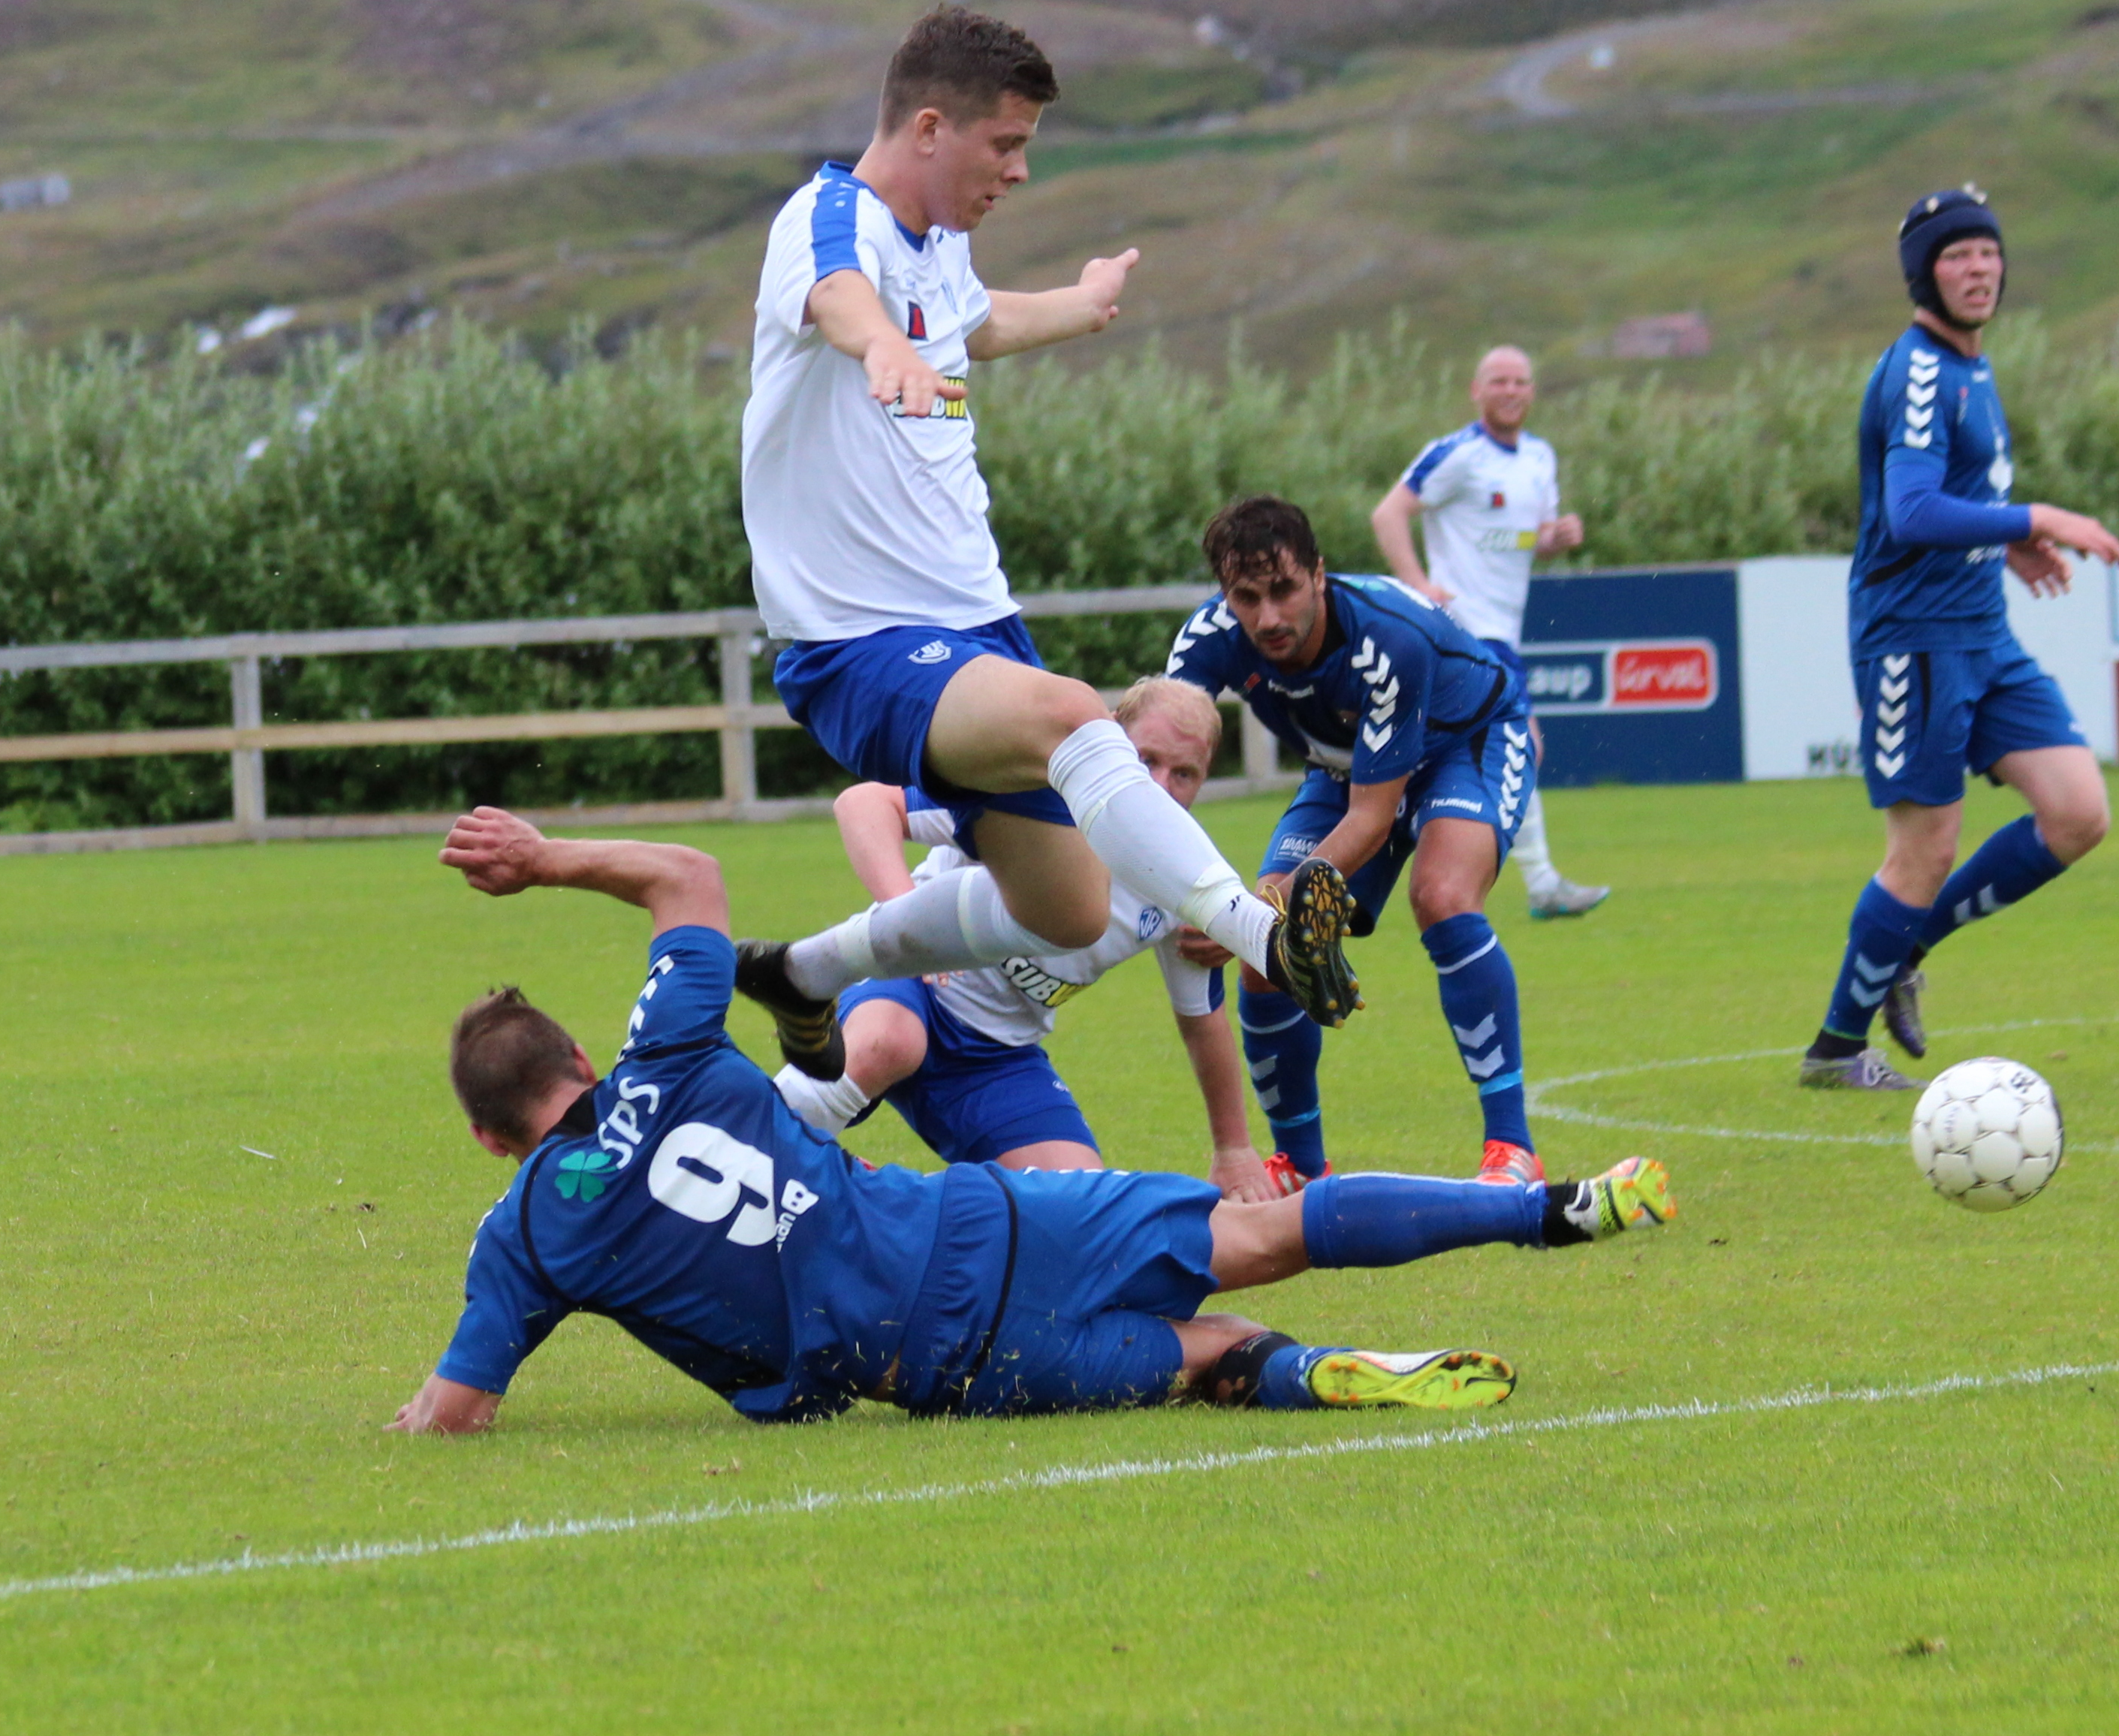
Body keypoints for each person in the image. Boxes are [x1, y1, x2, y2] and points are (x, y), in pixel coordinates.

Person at [387, 807, 1677, 1434]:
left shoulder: (524, 1240)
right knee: (1263, 1231)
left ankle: (1312, 1370)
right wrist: (540, 860)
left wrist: (408, 1426)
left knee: (1203, 1353)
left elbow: (454, 1412)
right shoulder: (666, 1055)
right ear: (575, 1054)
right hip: (988, 1216)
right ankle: (1543, 1209)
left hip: (938, 1366)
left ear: (492, 1140)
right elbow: (688, 875)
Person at [734, 6, 1358, 1086]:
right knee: (1078, 714)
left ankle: (800, 972)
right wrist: (879, 347)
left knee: (1066, 909)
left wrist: (1080, 303)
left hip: (978, 624)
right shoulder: (829, 217)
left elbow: (971, 324)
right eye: (1007, 144)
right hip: (860, 640)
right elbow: (840, 298)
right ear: (930, 128)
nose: (1019, 171)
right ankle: (1262, 933)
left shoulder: (939, 244)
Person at [1798, 186, 2119, 1090]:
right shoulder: (1918, 372)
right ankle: (1835, 1049)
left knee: (2077, 812)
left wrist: (2003, 540)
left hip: (1984, 633)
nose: (1979, 269)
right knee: (1923, 849)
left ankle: (1907, 948)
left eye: (1988, 252)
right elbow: (1909, 511)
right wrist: (2038, 516)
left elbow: (1949, 498)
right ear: (1923, 274)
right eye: (1957, 256)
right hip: (1913, 640)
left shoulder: (1969, 367)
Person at [773, 678, 1283, 1203]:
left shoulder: (1186, 878)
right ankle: (741, 1150)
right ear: (1110, 740)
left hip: (996, 1055)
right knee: (889, 1043)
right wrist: (904, 923)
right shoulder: (1027, 795)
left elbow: (1201, 1020)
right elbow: (863, 804)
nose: (1159, 785)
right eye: (1145, 759)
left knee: (1079, 1208)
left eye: (1184, 774)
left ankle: (878, 1203)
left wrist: (1233, 1150)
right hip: (906, 992)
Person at [1166, 496, 1548, 1191]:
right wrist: (1186, 892)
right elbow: (1162, 759)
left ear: (1318, 575)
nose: (1267, 617)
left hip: (1466, 742)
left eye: (1283, 589)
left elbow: (1372, 819)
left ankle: (1511, 1148)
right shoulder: (1208, 638)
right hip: (1347, 765)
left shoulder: (1386, 638)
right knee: (1263, 955)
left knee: (1441, 896)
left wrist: (1246, 909)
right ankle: (1300, 1169)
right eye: (1246, 598)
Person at [1371, 345, 1609, 920]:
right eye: (1498, 381)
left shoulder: (1539, 458)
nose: (1510, 390)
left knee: (1458, 750)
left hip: (1502, 627)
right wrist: (1417, 585)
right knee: (1521, 743)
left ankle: (1397, 846)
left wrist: (1553, 539)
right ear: (1476, 391)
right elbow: (1388, 513)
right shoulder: (1456, 454)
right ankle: (1538, 882)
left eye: (1520, 381)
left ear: (1532, 392)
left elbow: (1519, 538)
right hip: (1467, 627)